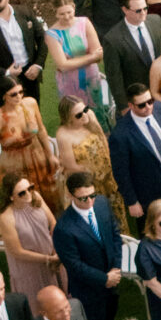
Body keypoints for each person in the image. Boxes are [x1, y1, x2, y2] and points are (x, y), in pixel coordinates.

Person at [54, 173, 125, 320]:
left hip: (112, 280)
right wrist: (104, 279)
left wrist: (115, 268)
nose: (90, 202)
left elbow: (115, 235)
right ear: (70, 195)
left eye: (92, 195)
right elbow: (74, 265)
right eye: (83, 198)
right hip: (89, 291)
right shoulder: (64, 228)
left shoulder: (102, 204)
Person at [109, 84, 161, 225]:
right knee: (153, 232)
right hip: (148, 192)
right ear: (131, 106)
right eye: (142, 105)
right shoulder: (120, 135)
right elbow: (121, 173)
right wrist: (132, 201)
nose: (148, 107)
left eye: (150, 101)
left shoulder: (160, 109)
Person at [53, 91, 124, 222]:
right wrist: (95, 176)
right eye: (79, 115)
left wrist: (108, 167)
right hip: (86, 180)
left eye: (85, 109)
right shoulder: (63, 135)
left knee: (115, 209)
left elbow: (102, 137)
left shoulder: (89, 116)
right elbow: (71, 166)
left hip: (106, 174)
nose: (85, 115)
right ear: (68, 119)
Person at [0, 171, 63, 312]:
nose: (28, 194)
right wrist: (47, 259)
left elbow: (53, 222)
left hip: (51, 255)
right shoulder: (6, 217)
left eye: (30, 188)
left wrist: (55, 250)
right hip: (29, 268)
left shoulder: (36, 198)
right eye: (22, 193)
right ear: (11, 197)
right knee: (37, 307)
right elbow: (17, 252)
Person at [101, 0, 161, 109]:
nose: (143, 13)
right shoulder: (113, 39)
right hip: (137, 97)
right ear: (125, 10)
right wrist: (124, 106)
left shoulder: (156, 21)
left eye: (145, 8)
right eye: (138, 10)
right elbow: (114, 78)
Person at [46, 0, 108, 115]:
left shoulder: (84, 23)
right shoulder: (52, 34)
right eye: (62, 14)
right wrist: (91, 57)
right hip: (69, 84)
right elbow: (63, 65)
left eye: (69, 12)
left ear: (74, 7)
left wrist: (72, 62)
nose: (67, 17)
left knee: (99, 114)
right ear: (55, 13)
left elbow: (99, 56)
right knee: (77, 115)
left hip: (92, 79)